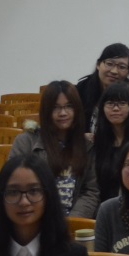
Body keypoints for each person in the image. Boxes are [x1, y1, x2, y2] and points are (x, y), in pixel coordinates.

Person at [9, 81, 98, 217]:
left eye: (69, 106)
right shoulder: (25, 142)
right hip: (35, 219)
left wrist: (72, 222)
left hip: (73, 223)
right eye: (55, 108)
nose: (63, 113)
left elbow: (90, 191)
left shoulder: (87, 145)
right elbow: (15, 184)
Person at [90, 80, 129, 202]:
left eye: (122, 103)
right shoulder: (94, 143)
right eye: (110, 103)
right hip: (98, 205)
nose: (115, 108)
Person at [74, 43, 129, 128]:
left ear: (128, 72)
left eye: (122, 67)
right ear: (98, 64)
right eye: (109, 64)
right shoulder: (81, 90)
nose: (114, 71)